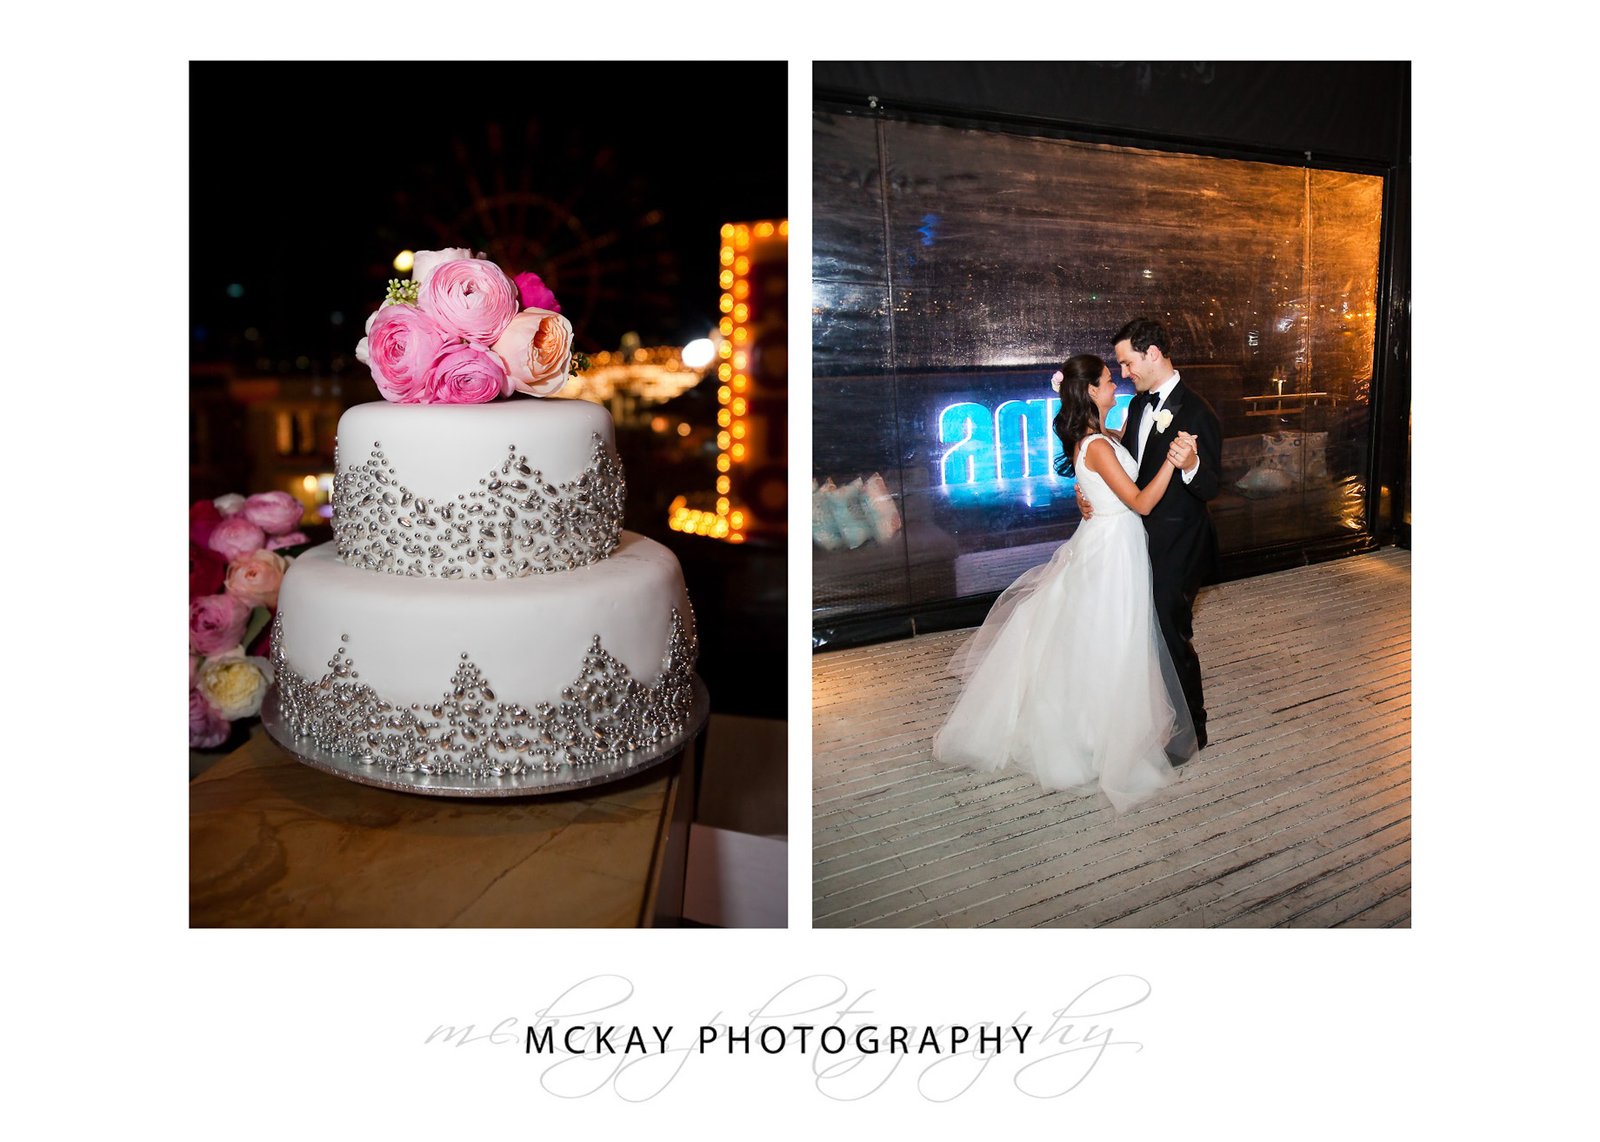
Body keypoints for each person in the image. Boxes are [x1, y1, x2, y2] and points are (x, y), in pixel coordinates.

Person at [933, 354, 1197, 812]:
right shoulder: (1095, 444)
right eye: (1109, 381)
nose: (1117, 385)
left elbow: (1102, 484)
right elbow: (1140, 501)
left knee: (1106, 640)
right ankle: (1095, 738)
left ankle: (1100, 731)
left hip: (1113, 541)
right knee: (1111, 641)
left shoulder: (1101, 438)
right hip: (1112, 548)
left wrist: (1088, 493)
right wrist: (1173, 463)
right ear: (1092, 391)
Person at [1103, 317, 1222, 753]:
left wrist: (1190, 465)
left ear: (1152, 353)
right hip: (1139, 538)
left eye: (1128, 363)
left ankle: (1192, 729)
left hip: (1180, 542)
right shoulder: (1137, 406)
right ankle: (1153, 712)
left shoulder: (1198, 411)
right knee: (1142, 629)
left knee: (1170, 631)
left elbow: (1211, 487)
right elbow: (1133, 471)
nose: (1124, 373)